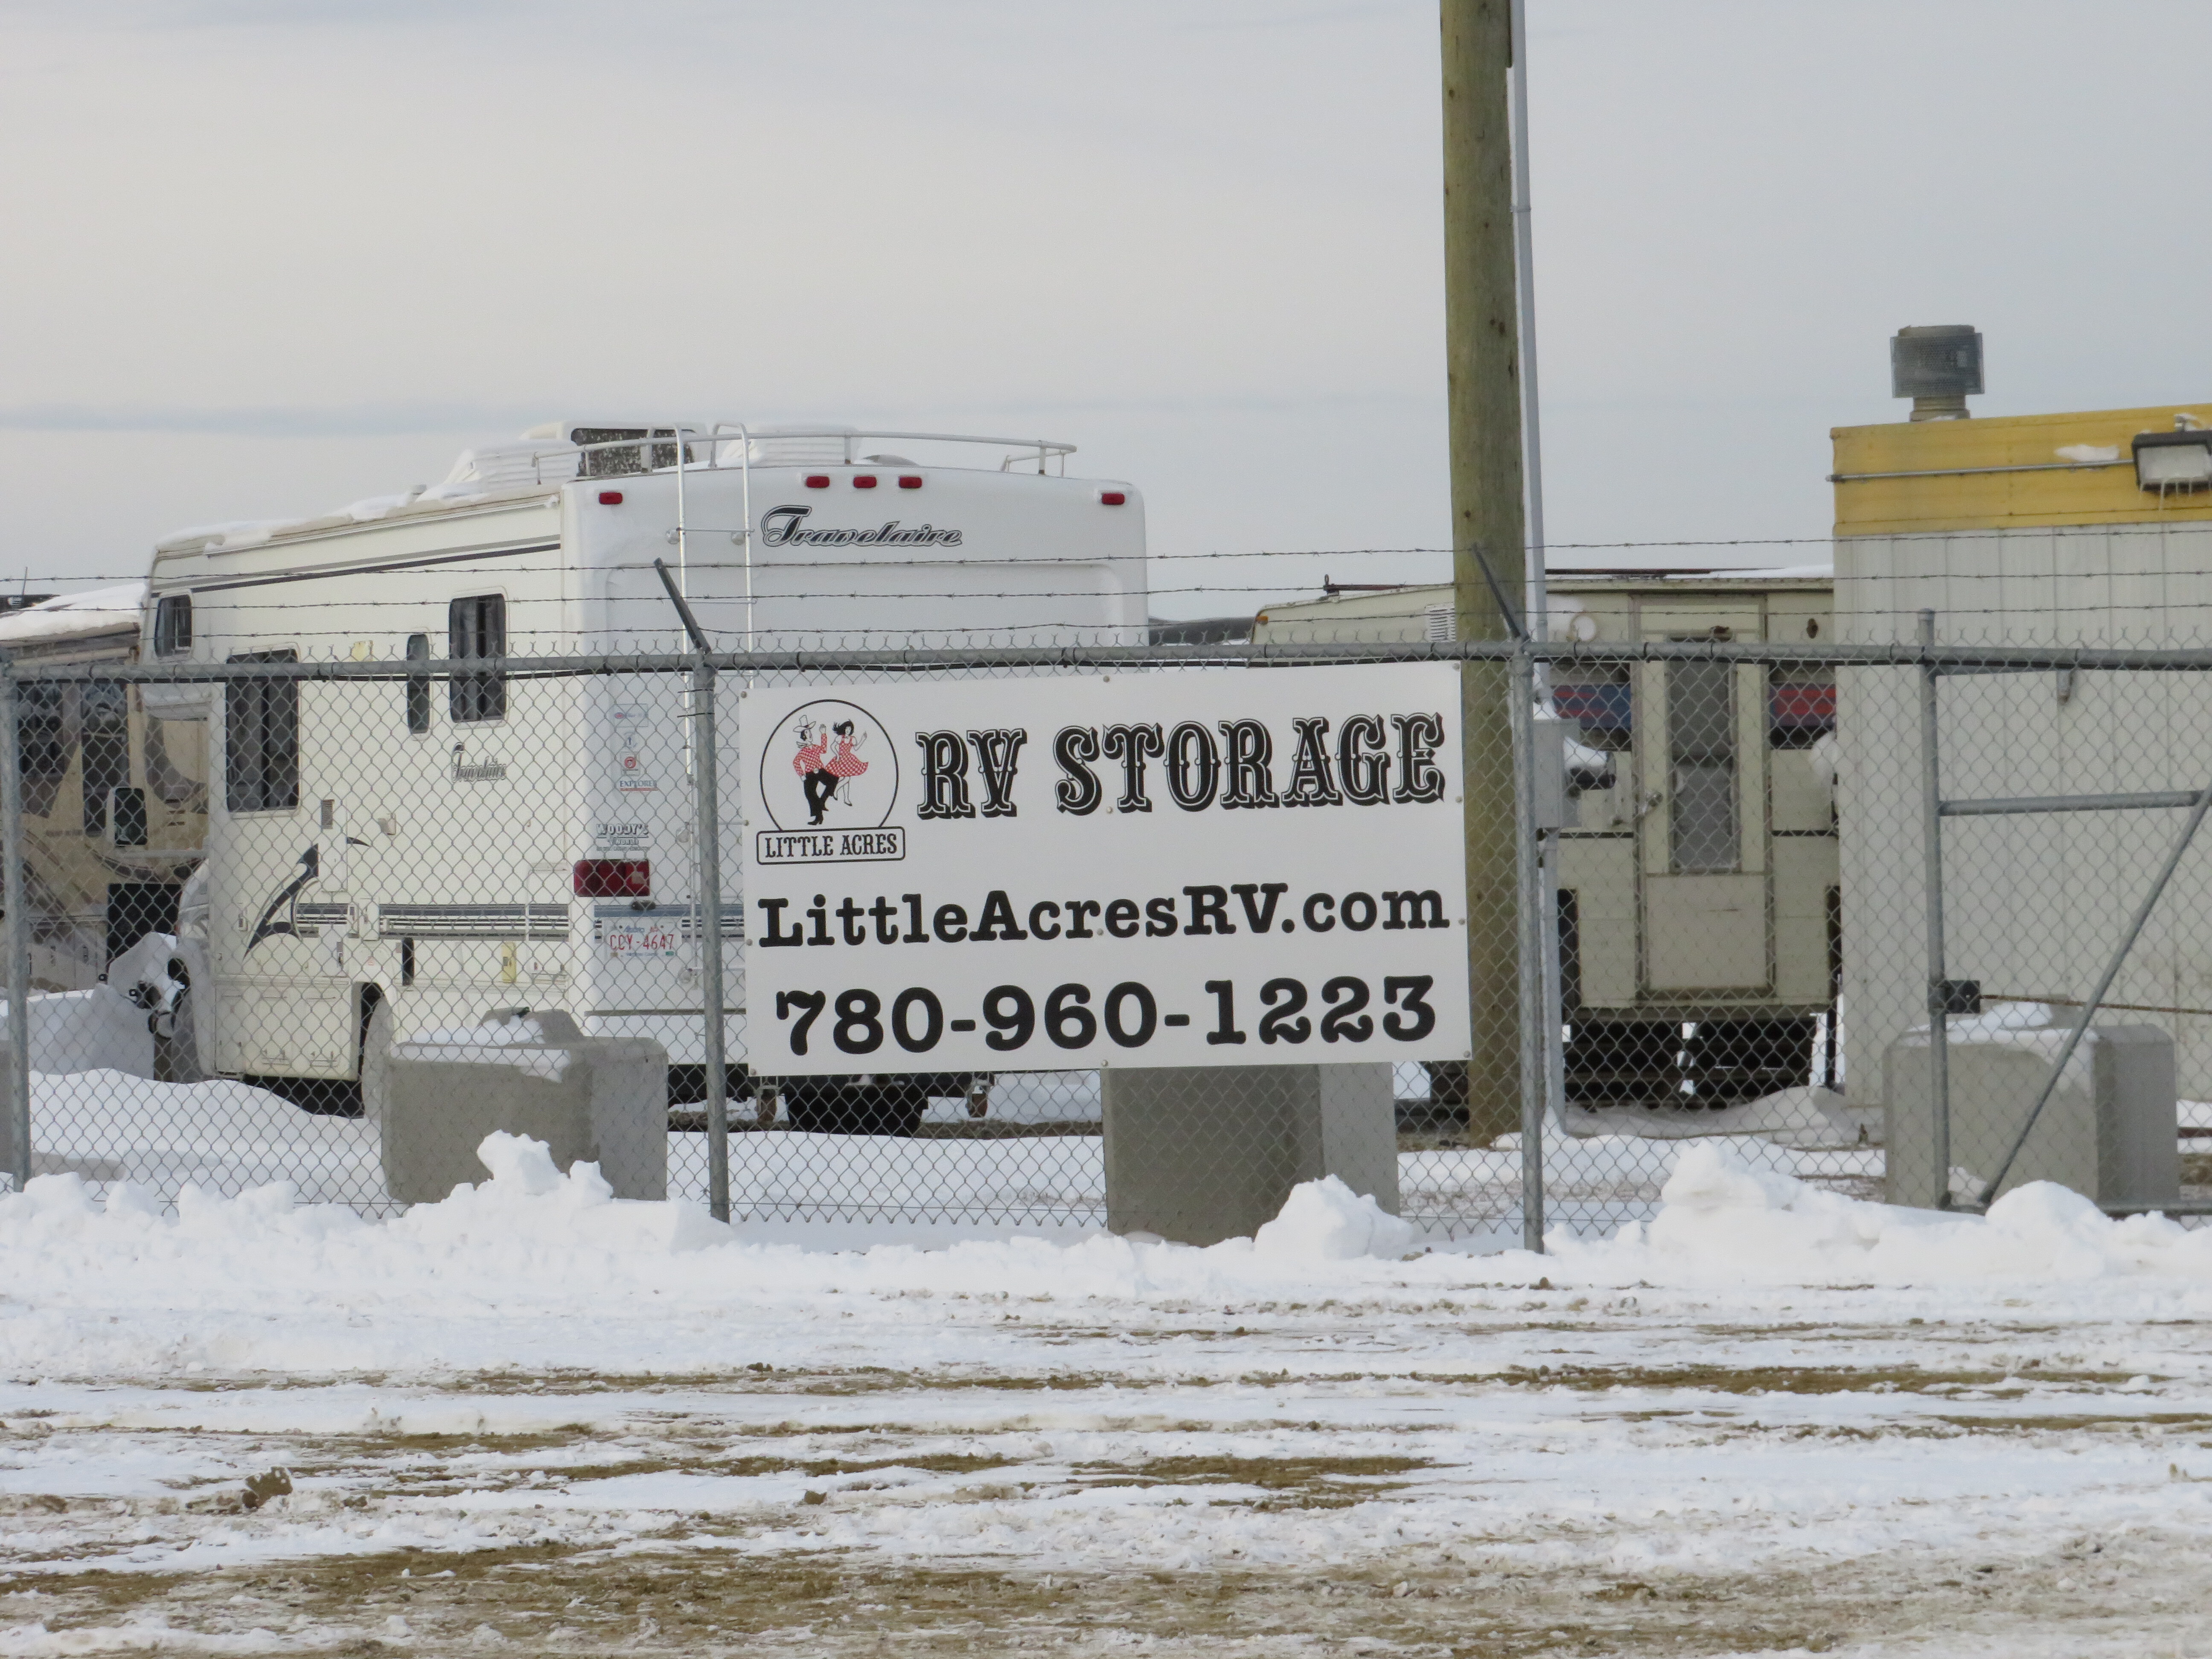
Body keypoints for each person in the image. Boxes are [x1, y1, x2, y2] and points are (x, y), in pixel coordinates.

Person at [792, 721, 837, 825]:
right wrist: (802, 775)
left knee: (834, 780)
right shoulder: (803, 751)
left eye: (810, 732)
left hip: (820, 770)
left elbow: (824, 750)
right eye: (807, 733)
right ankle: (819, 818)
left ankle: (822, 802)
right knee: (810, 794)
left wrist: (823, 734)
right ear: (804, 736)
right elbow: (796, 762)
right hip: (810, 774)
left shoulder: (816, 747)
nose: (810, 734)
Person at [826, 720, 870, 806]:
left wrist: (863, 740)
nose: (848, 730)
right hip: (841, 759)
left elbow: (856, 748)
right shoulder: (840, 738)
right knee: (847, 779)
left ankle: (846, 798)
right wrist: (838, 755)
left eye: (850, 729)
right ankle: (835, 791)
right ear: (844, 729)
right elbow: (833, 746)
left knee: (847, 780)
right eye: (847, 729)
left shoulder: (852, 739)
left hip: (849, 760)